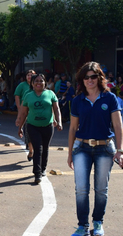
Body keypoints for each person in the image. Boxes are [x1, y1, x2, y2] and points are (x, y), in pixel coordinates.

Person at [68, 61, 123, 236]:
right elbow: (72, 128)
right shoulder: (78, 101)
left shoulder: (110, 98)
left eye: (93, 77)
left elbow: (117, 125)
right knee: (81, 189)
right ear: (82, 80)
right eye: (86, 77)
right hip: (82, 148)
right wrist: (70, 153)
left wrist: (120, 150)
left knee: (101, 189)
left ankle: (98, 223)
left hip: (105, 149)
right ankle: (82, 226)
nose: (90, 80)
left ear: (99, 78)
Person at [16, 74, 62, 184]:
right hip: (32, 126)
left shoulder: (50, 94)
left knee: (45, 148)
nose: (39, 83)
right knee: (37, 149)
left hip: (48, 126)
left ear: (45, 83)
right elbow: (24, 113)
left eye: (41, 81)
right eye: (36, 81)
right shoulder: (28, 95)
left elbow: (56, 109)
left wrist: (59, 121)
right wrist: (20, 127)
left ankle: (43, 169)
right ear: (32, 83)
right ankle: (37, 173)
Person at [14, 69, 36, 161]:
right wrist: (19, 108)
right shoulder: (23, 86)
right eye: (28, 75)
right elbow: (17, 95)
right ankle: (31, 150)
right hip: (26, 111)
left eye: (32, 75)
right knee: (28, 132)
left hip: (37, 114)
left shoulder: (40, 88)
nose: (30, 77)